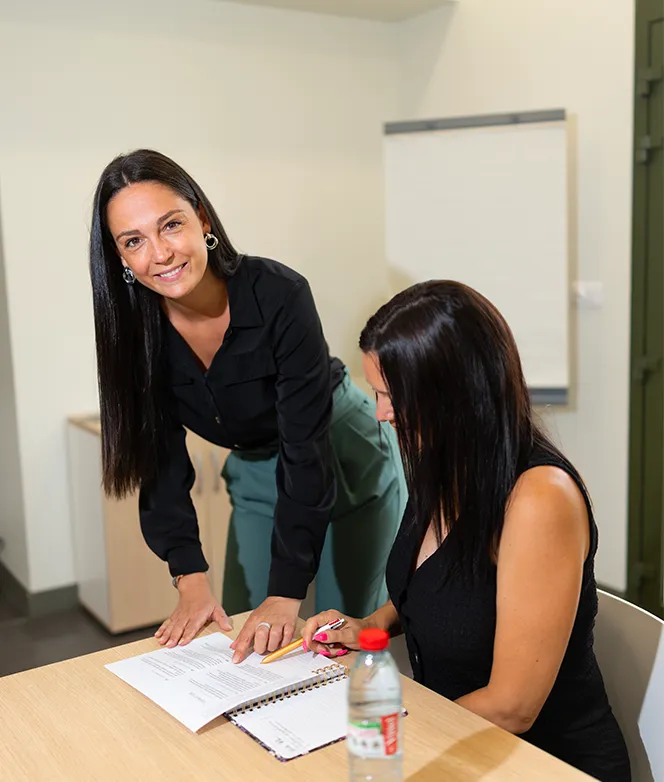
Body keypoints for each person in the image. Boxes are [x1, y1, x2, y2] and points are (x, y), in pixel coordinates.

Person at [303, 281, 631, 781]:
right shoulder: (443, 465)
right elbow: (438, 586)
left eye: (393, 397)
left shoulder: (540, 499)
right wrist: (369, 627)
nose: (380, 413)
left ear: (455, 396)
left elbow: (511, 707)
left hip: (541, 764)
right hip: (459, 743)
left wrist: (379, 732)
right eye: (376, 392)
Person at [88, 149, 406, 663]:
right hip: (257, 462)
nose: (160, 253)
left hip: (337, 447)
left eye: (171, 225)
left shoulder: (279, 293)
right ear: (120, 258)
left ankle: (358, 737)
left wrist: (287, 593)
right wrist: (189, 577)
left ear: (202, 219)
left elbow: (307, 450)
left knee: (337, 634)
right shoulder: (134, 334)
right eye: (134, 241)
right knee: (248, 628)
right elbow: (159, 461)